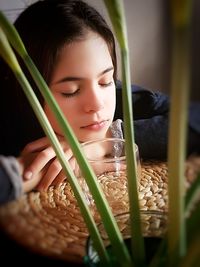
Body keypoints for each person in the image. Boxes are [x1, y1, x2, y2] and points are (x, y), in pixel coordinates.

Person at [0, 0, 199, 192]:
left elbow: (194, 116)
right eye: (71, 91)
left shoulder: (120, 97)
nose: (97, 104)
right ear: (26, 90)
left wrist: (107, 142)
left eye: (105, 81)